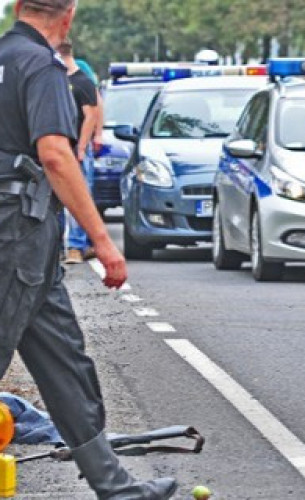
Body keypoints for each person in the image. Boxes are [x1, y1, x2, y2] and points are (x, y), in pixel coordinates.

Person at [0, 1, 177, 498]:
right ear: (69, 15)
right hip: (16, 234)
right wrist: (102, 240)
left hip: (29, 238)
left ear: (18, 8)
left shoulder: (4, 57)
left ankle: (115, 486)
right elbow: (56, 154)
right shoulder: (42, 67)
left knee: (64, 361)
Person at [58, 37, 97, 264]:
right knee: (56, 200)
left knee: (77, 200)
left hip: (76, 150)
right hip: (59, 148)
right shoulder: (55, 80)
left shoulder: (82, 81)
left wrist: (81, 148)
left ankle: (76, 246)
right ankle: (57, 248)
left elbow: (90, 116)